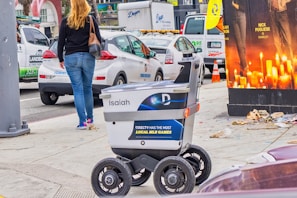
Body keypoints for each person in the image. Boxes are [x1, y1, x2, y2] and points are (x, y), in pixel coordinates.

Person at [58, 0, 102, 130]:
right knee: (87, 88)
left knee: (77, 89)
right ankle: (90, 119)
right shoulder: (91, 20)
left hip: (71, 57)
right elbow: (98, 38)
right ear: (85, 6)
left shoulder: (66, 21)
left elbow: (60, 41)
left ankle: (82, 122)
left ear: (73, 6)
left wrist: (60, 58)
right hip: (88, 56)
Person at [231, 0, 247, 76]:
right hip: (233, 17)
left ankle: (243, 66)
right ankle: (244, 66)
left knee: (242, 44)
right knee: (239, 44)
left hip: (241, 16)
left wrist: (235, 5)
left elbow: (245, 7)